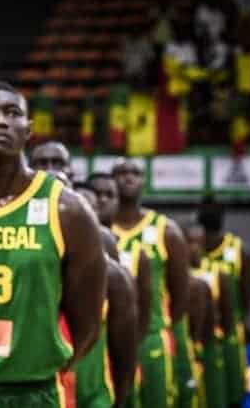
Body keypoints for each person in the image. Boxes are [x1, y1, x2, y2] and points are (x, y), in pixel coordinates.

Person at [0, 82, 107, 407]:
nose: (0, 121)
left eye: (12, 113)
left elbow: (88, 321)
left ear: (29, 129)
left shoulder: (67, 209)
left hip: (35, 390)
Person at [31, 142, 140, 407]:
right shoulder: (11, 231)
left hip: (89, 380)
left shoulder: (99, 237)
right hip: (30, 378)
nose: (49, 171)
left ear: (72, 173)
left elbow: (122, 318)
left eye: (57, 164)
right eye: (42, 164)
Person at [91, 160, 191, 408]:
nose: (128, 178)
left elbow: (180, 297)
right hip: (103, 340)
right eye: (121, 173)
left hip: (150, 340)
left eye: (135, 173)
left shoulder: (166, 231)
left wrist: (156, 325)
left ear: (144, 180)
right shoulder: (92, 230)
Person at [197, 195, 250, 408]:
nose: (211, 211)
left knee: (232, 396)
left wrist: (236, 322)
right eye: (206, 207)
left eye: (216, 207)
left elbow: (247, 296)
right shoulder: (189, 248)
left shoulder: (240, 250)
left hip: (229, 335)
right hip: (198, 337)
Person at [183, 219, 234, 408]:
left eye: (199, 242)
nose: (194, 248)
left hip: (210, 347)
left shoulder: (218, 274)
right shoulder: (174, 276)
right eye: (190, 242)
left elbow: (228, 318)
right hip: (184, 346)